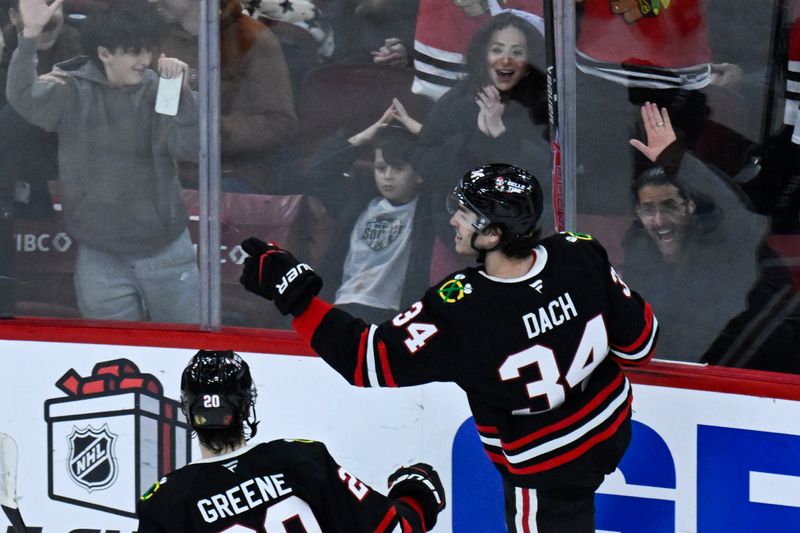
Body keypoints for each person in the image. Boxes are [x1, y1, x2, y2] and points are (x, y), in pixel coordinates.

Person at [239, 163, 659, 532]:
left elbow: (367, 360)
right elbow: (640, 345)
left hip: (546, 469)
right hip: (614, 430)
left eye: (466, 214)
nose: (454, 220)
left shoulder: (460, 307)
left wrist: (296, 299)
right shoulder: (579, 252)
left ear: (494, 233)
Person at [6, 0, 200, 322]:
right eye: (134, 52)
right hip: (99, 255)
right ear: (104, 53)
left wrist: (182, 96)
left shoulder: (161, 88)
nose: (145, 61)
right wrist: (30, 34)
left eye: (148, 51)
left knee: (186, 351)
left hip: (166, 251)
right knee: (113, 358)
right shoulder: (71, 90)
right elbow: (22, 95)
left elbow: (189, 148)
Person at [136, 349, 447, 532]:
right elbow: (393, 528)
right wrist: (414, 496)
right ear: (246, 406)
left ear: (188, 410)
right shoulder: (302, 459)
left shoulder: (165, 503)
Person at [624, 104, 800, 371]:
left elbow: (733, 208)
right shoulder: (637, 254)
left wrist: (677, 162)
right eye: (649, 210)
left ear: (690, 207)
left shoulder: (725, 243)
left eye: (670, 206)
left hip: (752, 364)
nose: (659, 220)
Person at [413, 12, 554, 232]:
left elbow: (547, 173)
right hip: (456, 229)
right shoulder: (457, 101)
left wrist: (501, 135)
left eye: (517, 52)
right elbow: (425, 162)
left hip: (521, 234)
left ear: (530, 62)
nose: (505, 60)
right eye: (497, 50)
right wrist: (475, 137)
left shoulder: (543, 105)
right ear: (483, 55)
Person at [302, 100, 436, 324]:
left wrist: (422, 133)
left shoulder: (430, 208)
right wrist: (362, 139)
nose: (388, 176)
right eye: (381, 168)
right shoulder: (358, 201)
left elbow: (458, 171)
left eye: (399, 168)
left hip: (391, 315)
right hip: (341, 305)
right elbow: (315, 173)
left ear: (420, 173)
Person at [153, 0, 297, 193]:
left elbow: (280, 124)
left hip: (231, 173)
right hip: (169, 169)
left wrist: (212, 130)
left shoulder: (253, 38)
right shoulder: (158, 36)